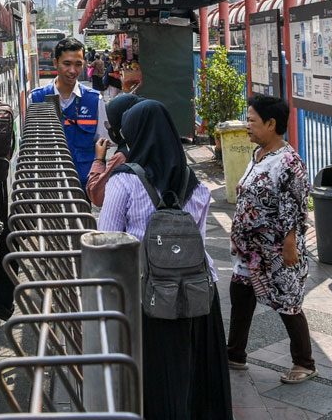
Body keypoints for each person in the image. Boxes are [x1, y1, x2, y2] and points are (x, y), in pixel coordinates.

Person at [97, 100, 233, 419]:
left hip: (151, 297)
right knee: (198, 384)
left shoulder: (125, 181)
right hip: (200, 292)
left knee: (159, 382)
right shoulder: (196, 184)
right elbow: (196, 240)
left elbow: (106, 241)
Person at [227, 95, 316, 384]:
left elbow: (295, 204)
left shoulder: (288, 161)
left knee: (288, 303)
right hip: (251, 250)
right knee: (240, 295)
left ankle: (304, 362)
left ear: (271, 123)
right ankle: (234, 353)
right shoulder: (259, 154)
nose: (247, 126)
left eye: (252, 121)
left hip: (276, 250)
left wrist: (289, 244)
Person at [29, 37, 108, 183]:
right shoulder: (36, 98)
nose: (72, 70)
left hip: (83, 185)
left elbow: (102, 142)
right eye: (67, 64)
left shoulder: (94, 100)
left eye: (78, 64)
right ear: (55, 63)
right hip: (48, 184)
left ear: (84, 64)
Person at [85, 93, 143, 206]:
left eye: (109, 124)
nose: (108, 129)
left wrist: (99, 160)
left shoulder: (123, 155)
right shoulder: (164, 146)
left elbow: (97, 195)